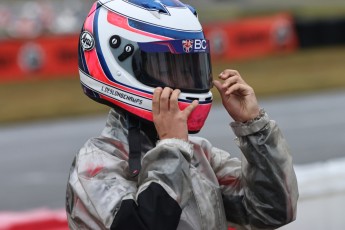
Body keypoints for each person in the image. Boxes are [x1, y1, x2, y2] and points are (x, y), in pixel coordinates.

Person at [66, 0, 298, 229]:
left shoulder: (198, 155)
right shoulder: (95, 167)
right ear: (122, 66)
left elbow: (273, 212)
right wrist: (172, 148)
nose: (186, 82)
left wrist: (254, 127)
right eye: (169, 69)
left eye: (190, 68)